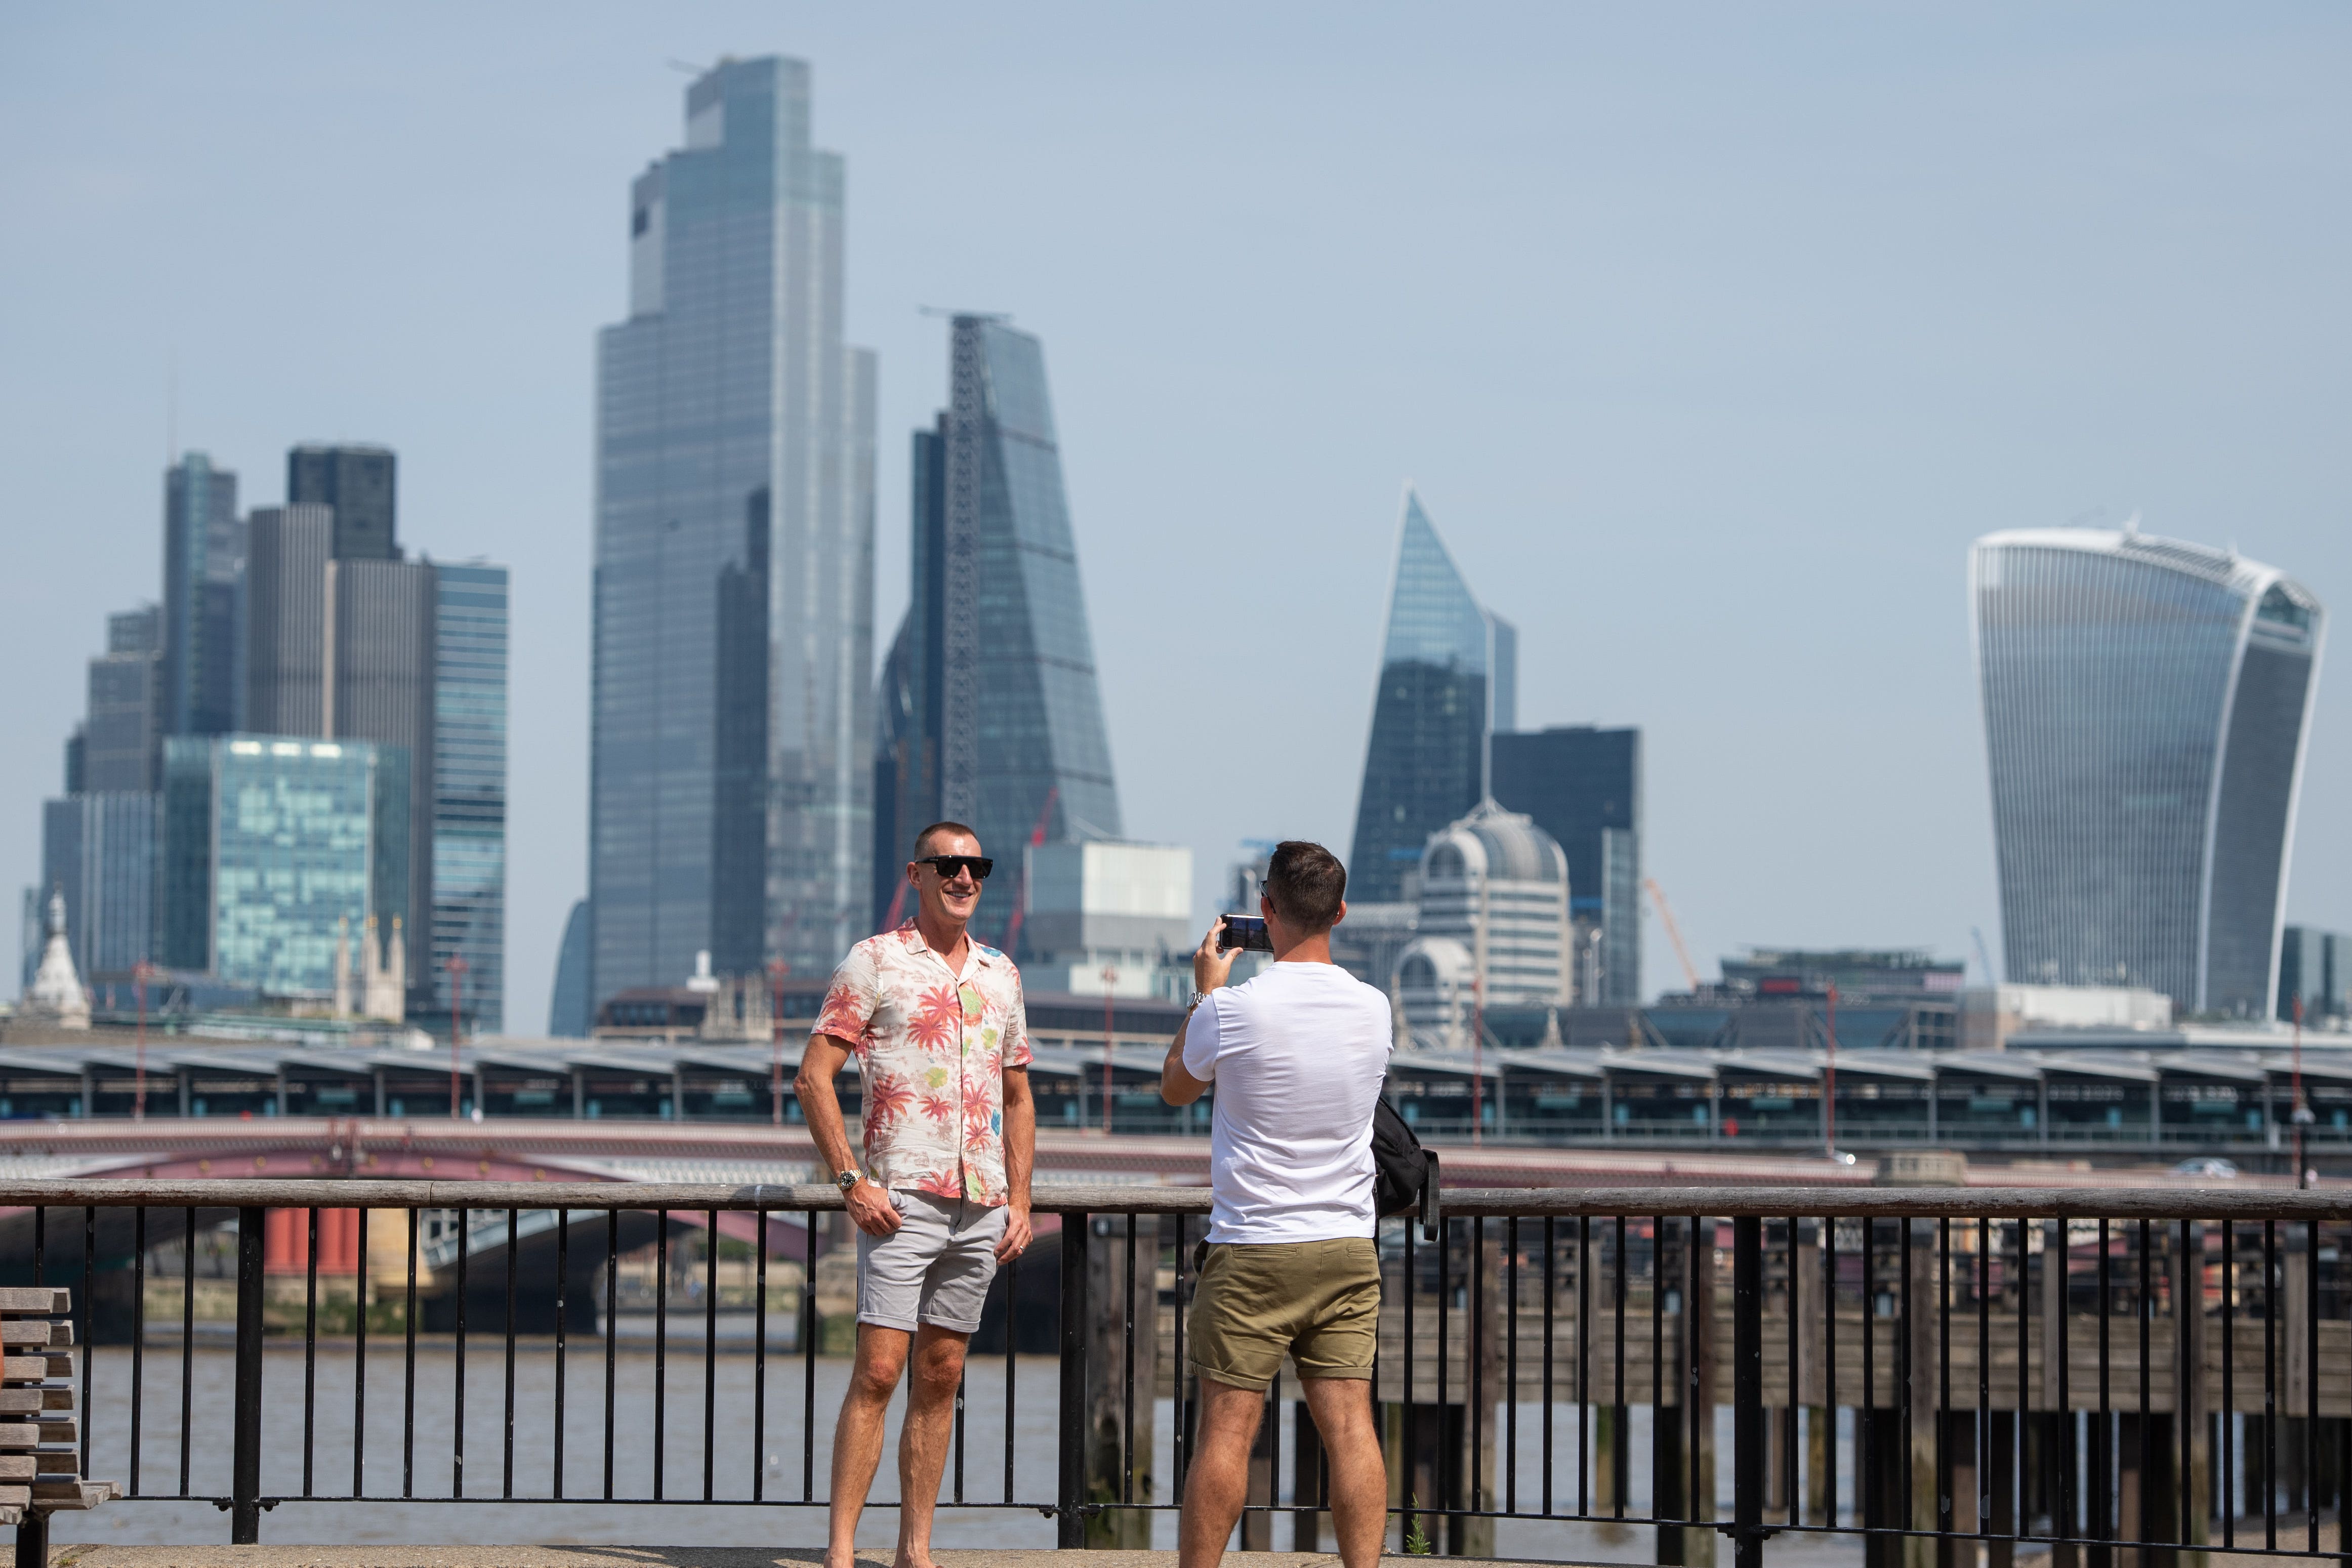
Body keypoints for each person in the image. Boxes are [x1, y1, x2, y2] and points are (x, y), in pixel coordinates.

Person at [796, 821, 1036, 1568]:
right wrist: (848, 1180)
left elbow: (1020, 1095)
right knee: (878, 1370)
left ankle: (915, 1550)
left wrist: (1021, 1199)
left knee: (943, 1374)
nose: (965, 878)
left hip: (981, 1204)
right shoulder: (873, 961)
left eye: (977, 867)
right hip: (900, 1200)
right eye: (949, 865)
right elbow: (812, 1076)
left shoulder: (1002, 973)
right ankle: (840, 1551)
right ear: (917, 874)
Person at [1160, 840, 1394, 1568]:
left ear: (1264, 910)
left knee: (1227, 1432)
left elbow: (1175, 1086)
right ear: (1342, 912)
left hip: (1255, 1245)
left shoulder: (1233, 1009)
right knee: (1352, 1428)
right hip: (1348, 1244)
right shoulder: (1376, 1007)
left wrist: (1204, 988)